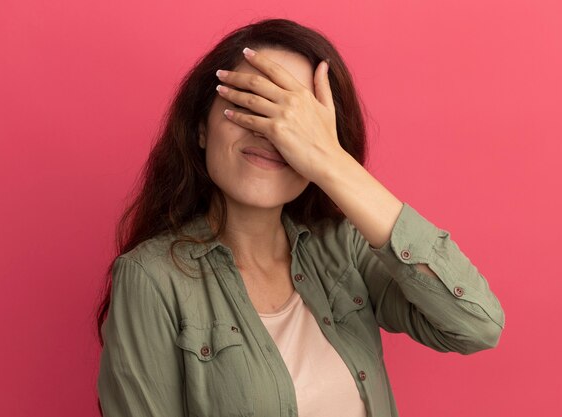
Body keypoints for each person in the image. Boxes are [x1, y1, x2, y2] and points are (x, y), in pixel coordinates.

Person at [95, 18, 505, 417]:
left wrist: (331, 163)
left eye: (296, 120)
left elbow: (476, 324)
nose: (270, 132)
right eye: (248, 104)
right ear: (201, 128)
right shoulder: (150, 279)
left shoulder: (346, 250)